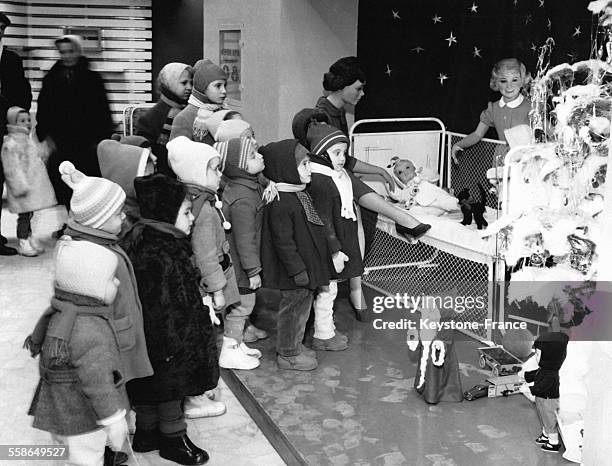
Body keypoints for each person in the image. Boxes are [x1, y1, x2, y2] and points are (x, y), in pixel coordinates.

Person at [120, 173, 214, 465]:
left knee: (149, 387)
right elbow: (164, 305)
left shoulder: (143, 242)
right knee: (170, 388)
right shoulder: (161, 253)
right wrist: (178, 345)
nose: (191, 219)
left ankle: (147, 432)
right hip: (168, 341)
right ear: (166, 215)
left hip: (146, 340)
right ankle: (174, 438)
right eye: (186, 213)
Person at [25, 238, 129, 466]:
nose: (118, 283)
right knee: (86, 459)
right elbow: (97, 382)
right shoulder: (89, 328)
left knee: (67, 454)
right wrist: (113, 418)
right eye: (112, 278)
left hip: (59, 409)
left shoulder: (61, 313)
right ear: (91, 287)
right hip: (80, 415)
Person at [312, 57, 431, 240]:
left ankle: (402, 220)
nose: (362, 94)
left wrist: (380, 171)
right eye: (358, 89)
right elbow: (329, 163)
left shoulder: (338, 111)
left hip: (339, 175)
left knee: (366, 209)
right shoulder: (322, 115)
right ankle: (403, 219)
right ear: (343, 86)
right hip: (325, 180)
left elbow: (346, 160)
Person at [167, 136, 259, 371]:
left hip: (219, 272)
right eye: (215, 169)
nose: (220, 174)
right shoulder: (204, 211)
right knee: (213, 318)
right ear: (197, 173)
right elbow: (205, 256)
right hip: (213, 278)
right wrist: (217, 289)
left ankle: (234, 345)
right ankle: (227, 353)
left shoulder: (201, 201)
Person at [58, 161, 153, 385]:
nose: (123, 217)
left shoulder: (103, 240)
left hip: (119, 336)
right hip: (112, 344)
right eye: (118, 214)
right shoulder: (95, 255)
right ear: (97, 221)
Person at [259, 139, 331, 370]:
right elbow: (283, 243)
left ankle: (295, 343)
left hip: (306, 266)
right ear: (286, 169)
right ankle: (288, 352)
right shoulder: (280, 201)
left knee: (302, 307)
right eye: (304, 165)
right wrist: (298, 270)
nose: (309, 169)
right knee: (293, 310)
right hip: (295, 271)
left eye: (309, 164)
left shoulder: (298, 193)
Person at [36, 35, 114, 209]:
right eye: (63, 52)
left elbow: (102, 110)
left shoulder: (92, 79)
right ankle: (69, 221)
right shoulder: (51, 79)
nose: (67, 56)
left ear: (78, 51)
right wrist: (46, 136)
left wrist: (101, 139)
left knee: (87, 183)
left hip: (86, 143)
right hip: (60, 142)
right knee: (61, 183)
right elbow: (44, 109)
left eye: (70, 51)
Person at [305, 123, 363, 347]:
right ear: (321, 154)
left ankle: (324, 328)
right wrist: (335, 250)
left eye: (344, 152)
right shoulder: (321, 180)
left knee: (328, 289)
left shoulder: (336, 176)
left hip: (337, 241)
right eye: (336, 152)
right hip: (328, 246)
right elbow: (324, 220)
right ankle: (324, 334)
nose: (342, 158)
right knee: (328, 289)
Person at [214, 137, 270, 354]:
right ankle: (232, 348)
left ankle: (239, 342)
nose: (261, 156)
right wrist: (253, 271)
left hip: (239, 265)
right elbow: (244, 240)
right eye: (254, 155)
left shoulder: (244, 187)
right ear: (240, 167)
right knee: (242, 307)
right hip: (241, 267)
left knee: (241, 305)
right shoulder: (243, 199)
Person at [451, 58, 531, 165]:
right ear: (496, 83)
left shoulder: (530, 106)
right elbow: (478, 134)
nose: (509, 86)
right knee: (499, 181)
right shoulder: (493, 108)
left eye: (514, 80)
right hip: (501, 158)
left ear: (523, 81)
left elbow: (548, 131)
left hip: (524, 159)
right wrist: (459, 144)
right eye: (503, 81)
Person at [1, 106, 56, 256]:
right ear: (13, 122)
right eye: (22, 121)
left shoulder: (27, 139)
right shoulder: (11, 143)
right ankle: (23, 241)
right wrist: (20, 186)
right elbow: (12, 168)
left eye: (28, 120)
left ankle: (29, 238)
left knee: (29, 215)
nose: (26, 123)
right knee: (24, 217)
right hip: (22, 187)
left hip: (31, 185)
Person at [0, 12, 32, 255]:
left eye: (2, 29)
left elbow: (23, 93)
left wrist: (18, 119)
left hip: (6, 130)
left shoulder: (11, 59)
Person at [135, 62, 193, 175]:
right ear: (169, 83)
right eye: (184, 83)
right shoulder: (150, 118)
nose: (189, 87)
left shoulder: (189, 110)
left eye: (191, 83)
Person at [522, 331, 570, 453]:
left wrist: (529, 389)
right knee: (543, 417)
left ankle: (553, 442)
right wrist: (526, 375)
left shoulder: (551, 374)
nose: (536, 358)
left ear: (549, 356)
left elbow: (543, 386)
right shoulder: (545, 369)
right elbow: (537, 374)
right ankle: (546, 435)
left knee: (549, 420)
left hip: (548, 400)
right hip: (542, 399)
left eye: (538, 355)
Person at [169, 59, 227, 144]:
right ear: (202, 86)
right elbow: (176, 153)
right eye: (218, 86)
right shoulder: (184, 118)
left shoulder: (226, 111)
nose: (224, 91)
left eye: (225, 85)